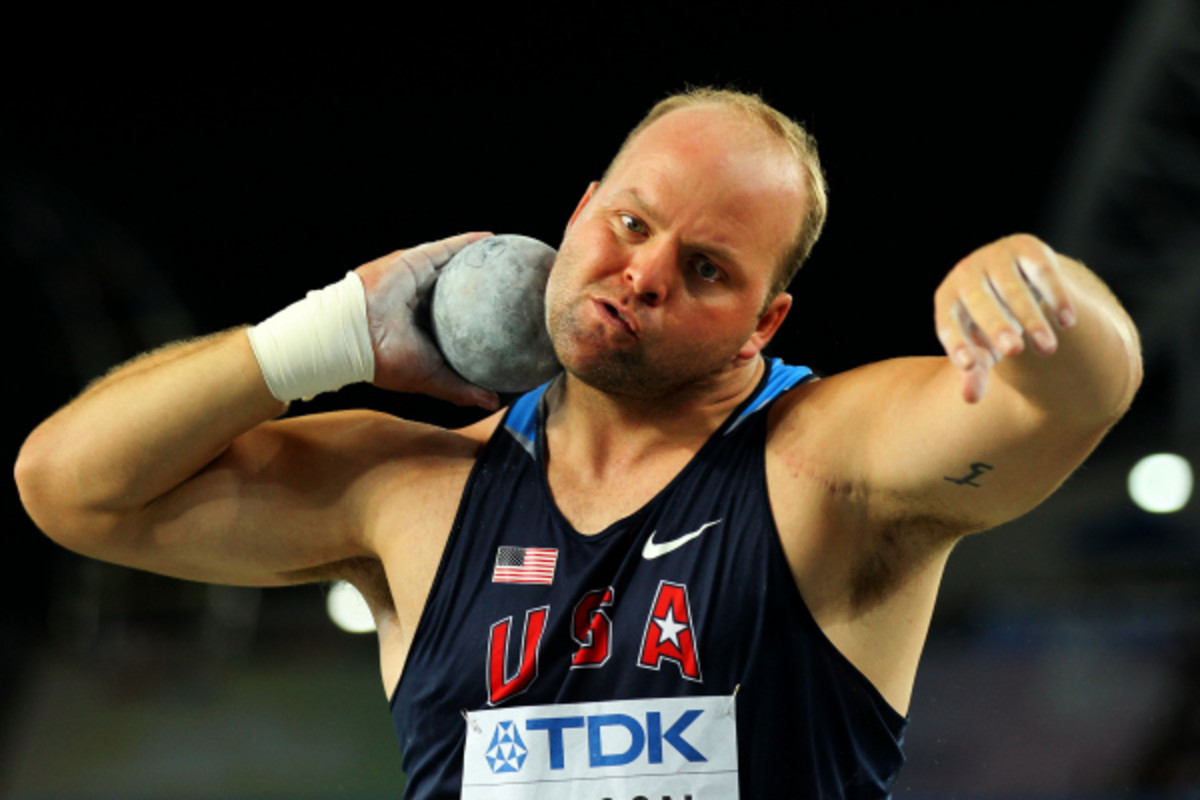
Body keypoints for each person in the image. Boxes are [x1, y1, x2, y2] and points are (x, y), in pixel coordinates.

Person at [14, 87, 1142, 799]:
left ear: (766, 322)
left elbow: (1076, 396)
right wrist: (332, 328)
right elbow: (73, 487)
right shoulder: (416, 487)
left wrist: (1041, 296)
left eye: (706, 269)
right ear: (580, 208)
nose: (643, 272)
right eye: (631, 222)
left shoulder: (826, 462)